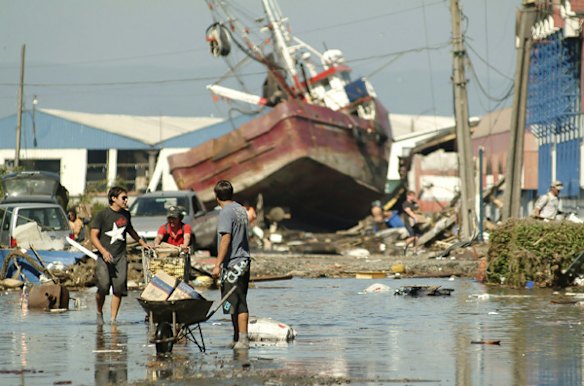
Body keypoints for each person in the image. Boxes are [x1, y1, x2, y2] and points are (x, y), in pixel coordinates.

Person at [90, 186, 150, 324]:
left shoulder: (126, 214)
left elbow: (130, 230)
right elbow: (93, 236)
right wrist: (104, 252)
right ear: (113, 199)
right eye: (123, 197)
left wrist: (142, 243)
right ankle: (99, 312)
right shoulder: (101, 215)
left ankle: (113, 319)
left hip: (120, 256)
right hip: (104, 256)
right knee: (103, 287)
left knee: (118, 289)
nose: (126, 200)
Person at [211, 180, 251, 350]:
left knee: (238, 301)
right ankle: (237, 338)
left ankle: (243, 340)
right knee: (233, 301)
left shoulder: (226, 212)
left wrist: (217, 264)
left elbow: (226, 238)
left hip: (234, 262)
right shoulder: (240, 209)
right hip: (243, 260)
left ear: (216, 196)